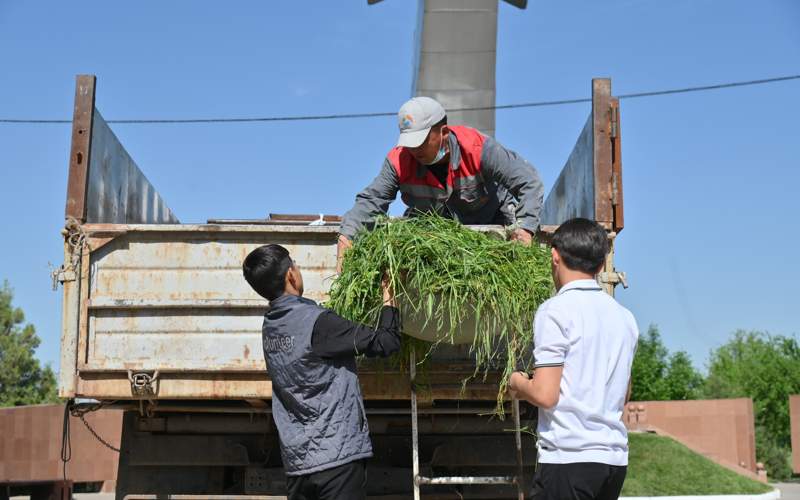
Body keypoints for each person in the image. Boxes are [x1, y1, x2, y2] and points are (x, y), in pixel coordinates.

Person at [242, 244, 401, 500]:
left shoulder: (270, 326)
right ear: (290, 275)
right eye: (295, 263)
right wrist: (389, 295)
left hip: (297, 464)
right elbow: (387, 342)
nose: (298, 268)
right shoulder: (318, 323)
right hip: (336, 462)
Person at [508, 218, 639, 500]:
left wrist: (518, 383)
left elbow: (545, 395)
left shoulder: (555, 311)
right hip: (613, 461)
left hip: (569, 458)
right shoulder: (625, 318)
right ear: (602, 264)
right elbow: (624, 392)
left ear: (554, 256)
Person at [337, 96, 544, 269]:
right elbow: (371, 201)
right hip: (438, 239)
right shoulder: (399, 160)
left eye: (422, 141)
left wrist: (524, 228)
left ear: (443, 133)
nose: (415, 150)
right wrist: (347, 237)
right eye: (410, 143)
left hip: (490, 229)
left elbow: (529, 181)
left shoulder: (477, 148)